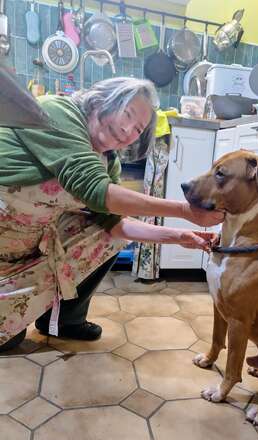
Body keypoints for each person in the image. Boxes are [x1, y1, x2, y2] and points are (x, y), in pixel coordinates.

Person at [0, 77, 224, 352]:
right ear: (102, 99)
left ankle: (66, 319)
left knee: (108, 232)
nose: (128, 129)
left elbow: (116, 226)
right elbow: (95, 189)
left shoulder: (109, 162)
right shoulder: (55, 112)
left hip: (26, 245)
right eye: (127, 113)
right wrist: (183, 210)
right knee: (9, 339)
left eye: (138, 128)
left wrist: (179, 235)